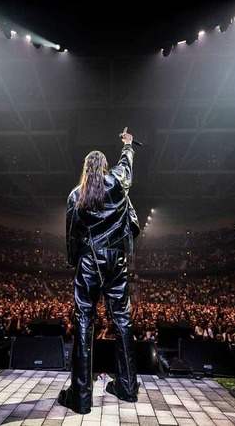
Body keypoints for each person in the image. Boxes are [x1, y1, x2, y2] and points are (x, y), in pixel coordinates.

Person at [57, 127, 141, 414]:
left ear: (85, 168)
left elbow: (71, 234)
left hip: (89, 261)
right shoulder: (117, 182)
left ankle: (80, 397)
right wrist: (128, 145)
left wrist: (74, 262)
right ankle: (128, 389)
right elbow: (126, 167)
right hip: (117, 260)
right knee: (122, 320)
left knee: (84, 321)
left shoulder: (75, 195)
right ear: (105, 167)